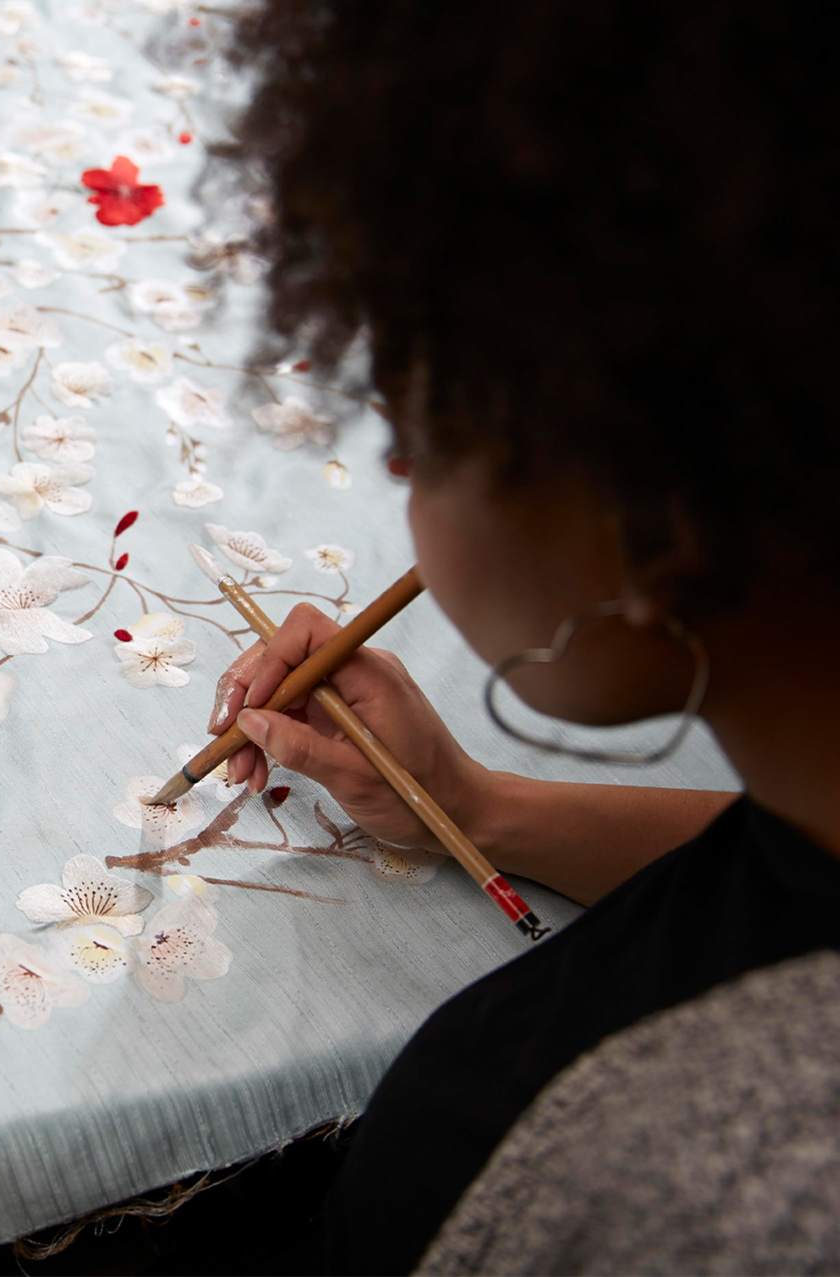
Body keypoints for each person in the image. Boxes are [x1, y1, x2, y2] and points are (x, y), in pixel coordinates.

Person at [202, 0, 840, 1271]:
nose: (400, 486)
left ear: (642, 515)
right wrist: (477, 806)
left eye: (414, 431)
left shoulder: (673, 1179)